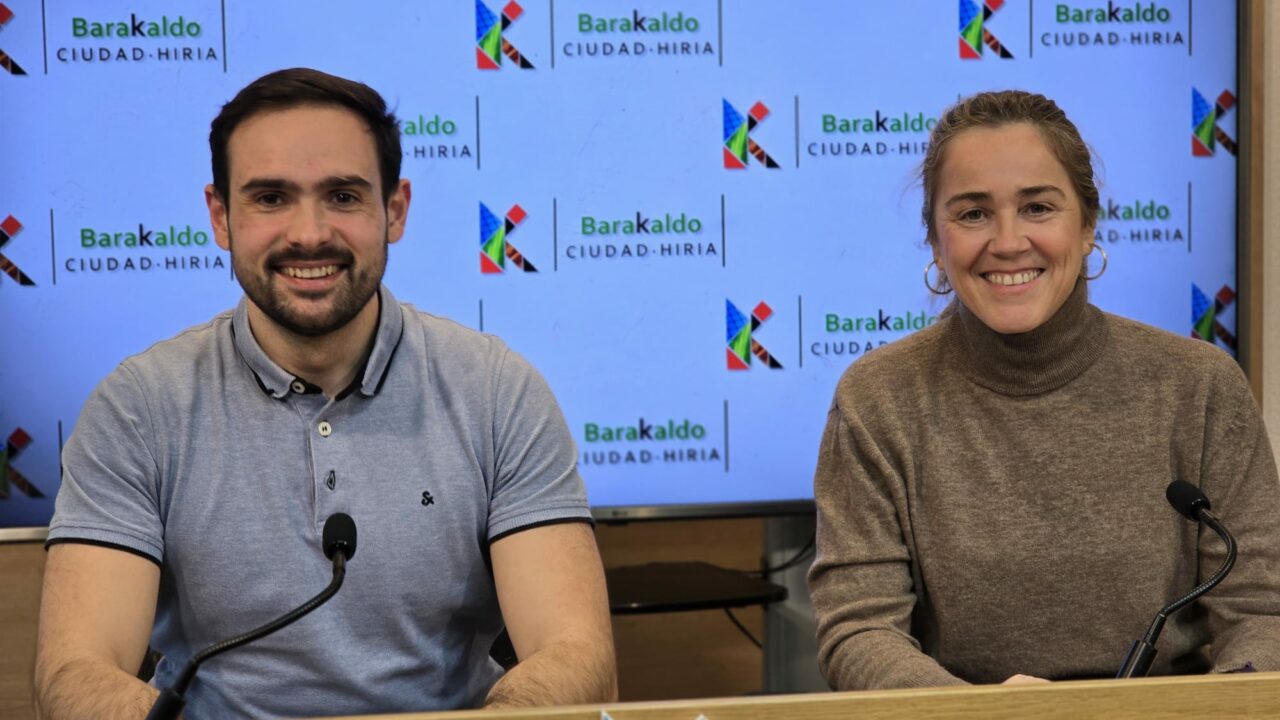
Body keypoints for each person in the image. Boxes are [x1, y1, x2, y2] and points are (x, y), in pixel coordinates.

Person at [34, 68, 616, 719]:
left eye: (342, 196)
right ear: (221, 217)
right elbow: (76, 672)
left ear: (393, 211)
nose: (309, 233)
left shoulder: (496, 392)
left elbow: (575, 655)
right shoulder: (139, 407)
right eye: (271, 198)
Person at [807, 90, 1280, 689]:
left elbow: (1263, 613)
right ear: (935, 240)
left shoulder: (1199, 386)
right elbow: (859, 630)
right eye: (973, 213)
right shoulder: (879, 398)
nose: (1007, 242)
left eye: (1037, 208)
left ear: (1087, 225)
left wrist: (1211, 705)